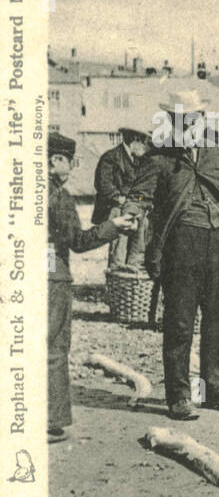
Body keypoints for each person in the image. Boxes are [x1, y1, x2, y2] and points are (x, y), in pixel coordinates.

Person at [131, 91, 219, 420]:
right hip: (181, 247)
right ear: (172, 122)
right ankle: (179, 397)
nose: (190, 124)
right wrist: (127, 214)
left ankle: (214, 389)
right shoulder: (159, 158)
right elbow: (139, 196)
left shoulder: (216, 153)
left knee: (218, 321)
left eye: (195, 118)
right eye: (183, 120)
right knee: (180, 323)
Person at [47, 133, 138, 442]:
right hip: (52, 278)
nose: (72, 168)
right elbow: (79, 242)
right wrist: (115, 227)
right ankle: (50, 421)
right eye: (70, 162)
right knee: (54, 348)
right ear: (54, 161)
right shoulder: (58, 197)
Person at [93, 126, 153, 270]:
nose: (145, 147)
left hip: (131, 204)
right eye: (144, 143)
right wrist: (118, 198)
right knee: (122, 225)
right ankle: (117, 268)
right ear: (135, 140)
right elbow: (103, 184)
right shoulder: (110, 157)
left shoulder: (139, 160)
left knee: (143, 223)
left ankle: (134, 266)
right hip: (112, 205)